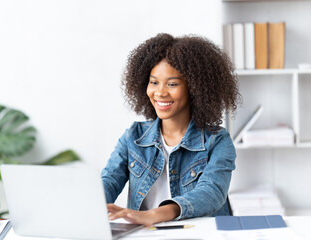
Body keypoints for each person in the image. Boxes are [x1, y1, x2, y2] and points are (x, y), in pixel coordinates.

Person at [101, 33, 239, 227]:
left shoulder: (217, 140)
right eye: (154, 82)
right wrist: (88, 205)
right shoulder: (133, 137)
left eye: (172, 84)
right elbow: (108, 181)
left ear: (195, 88)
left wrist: (155, 214)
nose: (160, 92)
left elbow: (211, 193)